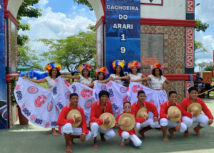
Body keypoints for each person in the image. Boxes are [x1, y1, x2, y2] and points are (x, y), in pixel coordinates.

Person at [22, 62, 61, 136]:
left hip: (58, 98)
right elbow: (37, 81)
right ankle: (53, 129)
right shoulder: (48, 79)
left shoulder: (60, 79)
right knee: (52, 113)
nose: (54, 71)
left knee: (58, 112)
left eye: (56, 70)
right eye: (53, 70)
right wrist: (27, 79)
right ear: (50, 71)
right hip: (51, 98)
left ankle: (57, 127)